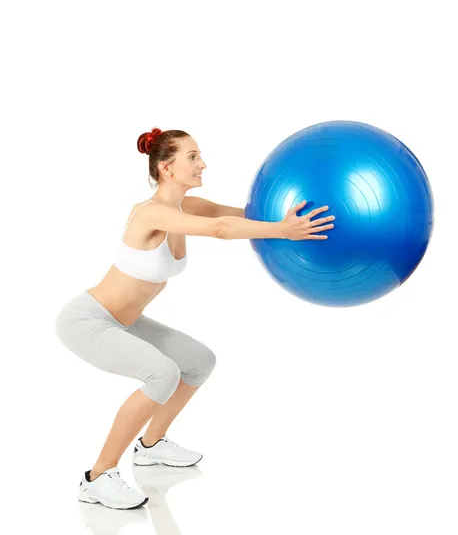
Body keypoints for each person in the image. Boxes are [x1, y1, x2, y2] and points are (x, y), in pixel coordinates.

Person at [54, 127, 335, 510]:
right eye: (192, 157)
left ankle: (150, 446)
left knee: (199, 361)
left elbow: (231, 215)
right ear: (166, 168)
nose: (202, 164)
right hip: (88, 321)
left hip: (123, 321)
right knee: (162, 373)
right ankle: (97, 476)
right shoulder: (151, 213)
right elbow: (220, 231)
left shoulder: (188, 207)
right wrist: (282, 232)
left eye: (199, 155)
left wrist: (286, 221)